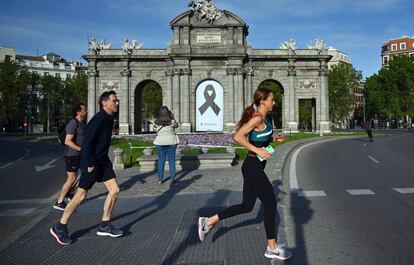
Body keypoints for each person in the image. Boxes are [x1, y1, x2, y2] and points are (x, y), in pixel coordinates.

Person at [197, 87, 292, 260]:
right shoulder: (257, 118)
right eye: (272, 99)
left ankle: (208, 222)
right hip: (252, 167)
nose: (274, 102)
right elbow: (238, 137)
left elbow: (264, 147)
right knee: (270, 204)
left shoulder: (265, 119)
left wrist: (274, 141)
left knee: (247, 206)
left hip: (256, 165)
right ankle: (271, 248)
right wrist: (257, 150)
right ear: (263, 101)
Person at [50, 90, 122, 245]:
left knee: (114, 190)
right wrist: (89, 163)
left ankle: (105, 225)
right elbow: (87, 142)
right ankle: (60, 226)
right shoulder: (99, 118)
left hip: (103, 161)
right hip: (92, 162)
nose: (117, 103)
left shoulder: (109, 118)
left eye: (117, 100)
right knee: (81, 195)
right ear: (104, 103)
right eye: (114, 100)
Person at [53, 103, 87, 211]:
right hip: (72, 155)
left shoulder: (83, 123)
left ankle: (71, 192)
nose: (86, 111)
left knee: (88, 172)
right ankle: (59, 201)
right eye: (84, 110)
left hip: (80, 155)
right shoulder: (73, 123)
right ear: (79, 112)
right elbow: (68, 141)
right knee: (71, 178)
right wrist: (81, 149)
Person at [153, 106, 180, 185]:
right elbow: (178, 125)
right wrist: (173, 116)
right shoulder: (172, 121)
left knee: (161, 161)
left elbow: (155, 129)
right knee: (171, 160)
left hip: (160, 142)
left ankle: (160, 179)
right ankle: (172, 178)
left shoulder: (156, 122)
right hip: (171, 142)